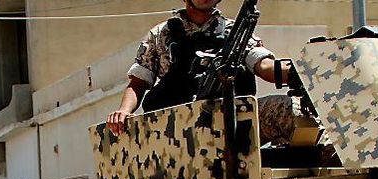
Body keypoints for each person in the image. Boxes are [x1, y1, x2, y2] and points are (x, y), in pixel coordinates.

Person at [106, 0, 292, 137]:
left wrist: (303, 71)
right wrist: (124, 111)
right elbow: (139, 81)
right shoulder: (161, 34)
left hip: (233, 122)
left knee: (292, 109)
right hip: (177, 129)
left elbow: (265, 67)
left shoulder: (235, 32)